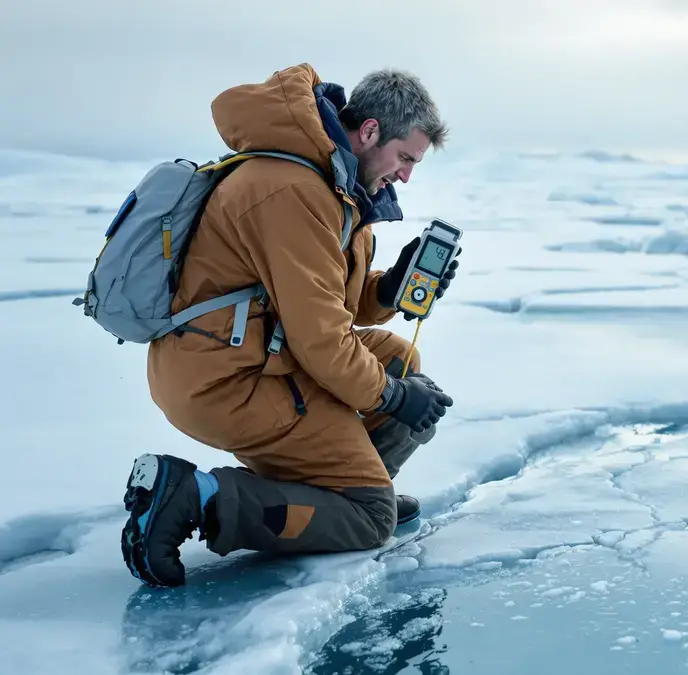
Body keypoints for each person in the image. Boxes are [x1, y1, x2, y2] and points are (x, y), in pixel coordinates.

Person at [119, 63, 458, 588]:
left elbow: (328, 304)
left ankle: (328, 495)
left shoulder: (334, 186)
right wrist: (391, 399)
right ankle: (192, 496)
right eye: (406, 157)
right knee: (373, 518)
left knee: (398, 360)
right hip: (224, 379)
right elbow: (321, 338)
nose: (407, 175)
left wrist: (387, 291)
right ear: (370, 132)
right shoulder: (291, 190)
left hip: (253, 355)